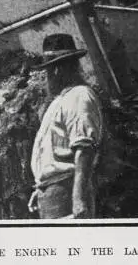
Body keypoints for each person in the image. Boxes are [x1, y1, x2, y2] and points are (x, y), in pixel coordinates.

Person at [28, 33, 104, 219]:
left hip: (67, 192)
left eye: (48, 71)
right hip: (52, 195)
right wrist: (41, 188)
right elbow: (53, 155)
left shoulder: (79, 96)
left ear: (55, 71)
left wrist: (78, 199)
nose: (47, 77)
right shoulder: (58, 101)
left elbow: (84, 149)